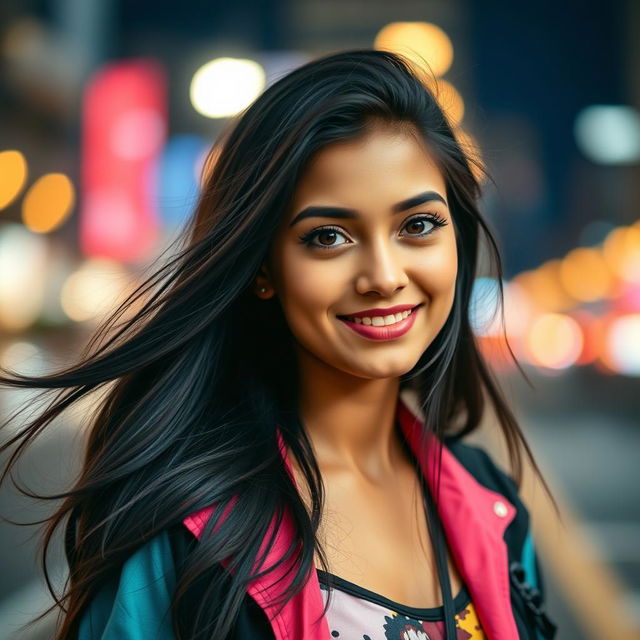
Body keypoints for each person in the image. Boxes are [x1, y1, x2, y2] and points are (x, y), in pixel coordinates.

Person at [0, 49, 559, 639]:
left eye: (417, 225)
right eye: (329, 236)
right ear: (263, 267)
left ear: (458, 240)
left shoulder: (492, 503)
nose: (385, 275)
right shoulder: (183, 528)